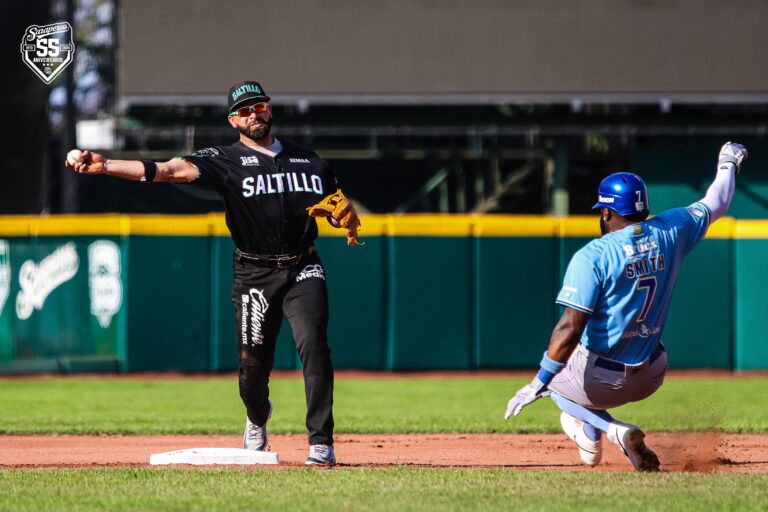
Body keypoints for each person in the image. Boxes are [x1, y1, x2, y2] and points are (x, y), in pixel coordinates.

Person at [66, 80, 362, 466]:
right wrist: (106, 165)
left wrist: (343, 217)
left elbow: (336, 208)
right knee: (252, 370)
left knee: (314, 343)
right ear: (232, 120)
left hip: (303, 266)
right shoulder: (224, 159)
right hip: (254, 273)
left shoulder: (311, 162)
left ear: (269, 109)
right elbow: (168, 170)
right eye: (244, 110)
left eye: (259, 106)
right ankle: (257, 415)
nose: (254, 114)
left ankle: (321, 443)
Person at [504, 142, 748, 471]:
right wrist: (727, 163)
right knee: (573, 372)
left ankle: (613, 430)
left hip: (602, 380)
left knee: (553, 380)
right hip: (652, 373)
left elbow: (569, 328)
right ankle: (590, 437)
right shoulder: (672, 229)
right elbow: (718, 200)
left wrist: (538, 382)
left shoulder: (593, 256)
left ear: (606, 212)